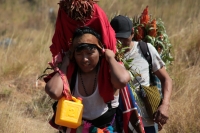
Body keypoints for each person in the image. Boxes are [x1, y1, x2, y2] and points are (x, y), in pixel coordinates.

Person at [45, 26, 131, 132]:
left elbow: (122, 81)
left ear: (100, 52)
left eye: (90, 53)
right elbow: (53, 92)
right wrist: (64, 66)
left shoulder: (108, 71)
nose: (85, 59)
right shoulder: (72, 73)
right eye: (79, 54)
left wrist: (110, 58)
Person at [110, 15, 173, 133]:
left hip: (145, 123)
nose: (121, 42)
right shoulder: (108, 56)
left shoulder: (145, 49)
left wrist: (165, 105)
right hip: (119, 123)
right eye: (117, 38)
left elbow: (166, 79)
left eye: (124, 37)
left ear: (132, 33)